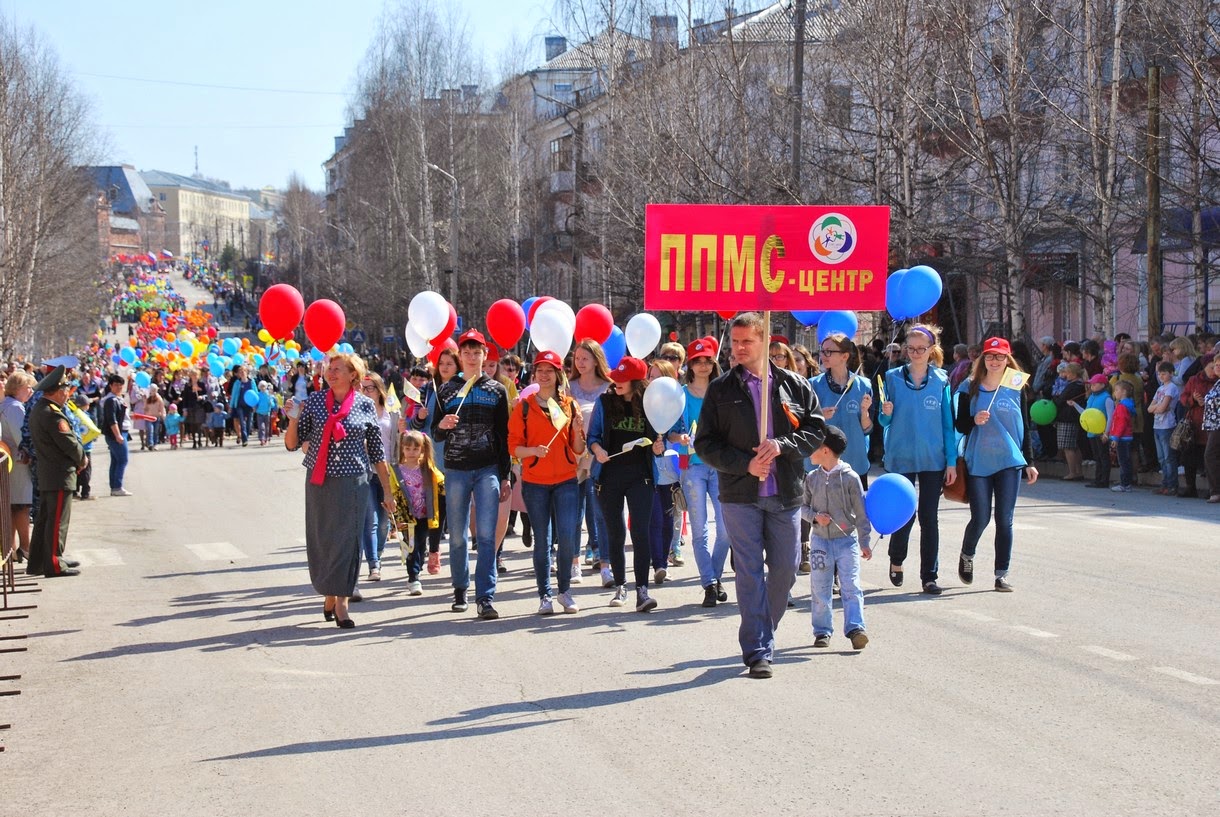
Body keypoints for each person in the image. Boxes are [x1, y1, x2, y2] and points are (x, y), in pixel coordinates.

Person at [694, 312, 825, 678]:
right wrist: (744, 465)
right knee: (749, 572)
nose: (738, 348)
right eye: (734, 341)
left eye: (746, 341)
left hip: (785, 492)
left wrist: (783, 445)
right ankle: (757, 650)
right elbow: (705, 444)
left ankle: (764, 628)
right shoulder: (721, 389)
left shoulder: (795, 384)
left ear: (765, 340)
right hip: (740, 495)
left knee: (784, 568)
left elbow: (816, 430)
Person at [283, 353, 395, 629]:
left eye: (337, 369)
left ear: (352, 375)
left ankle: (342, 601)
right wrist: (293, 419)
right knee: (324, 539)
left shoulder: (365, 405)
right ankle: (329, 592)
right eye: (328, 369)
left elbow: (378, 453)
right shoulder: (315, 403)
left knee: (349, 542)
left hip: (354, 482)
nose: (331, 373)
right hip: (320, 482)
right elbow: (291, 444)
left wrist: (388, 491)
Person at [431, 329, 511, 620]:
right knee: (458, 536)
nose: (472, 357)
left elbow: (504, 435)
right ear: (460, 356)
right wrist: (444, 426)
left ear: (485, 356)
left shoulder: (497, 391)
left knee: (487, 535)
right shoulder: (446, 390)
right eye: (467, 352)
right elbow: (434, 434)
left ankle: (485, 596)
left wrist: (506, 476)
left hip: (488, 467)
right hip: (456, 469)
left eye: (477, 352)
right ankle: (460, 589)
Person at [953, 337, 1039, 593]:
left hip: (1009, 461)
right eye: (990, 356)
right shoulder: (970, 387)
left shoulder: (1016, 384)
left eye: (1000, 356)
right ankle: (967, 555)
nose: (994, 361)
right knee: (980, 518)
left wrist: (1030, 462)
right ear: (982, 359)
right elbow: (959, 425)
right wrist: (973, 420)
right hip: (979, 460)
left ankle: (1001, 574)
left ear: (1008, 359)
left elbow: (1025, 423)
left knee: (1005, 520)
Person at [877, 324, 957, 595]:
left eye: (921, 349)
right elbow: (884, 420)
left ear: (932, 349)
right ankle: (897, 559)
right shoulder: (892, 377)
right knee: (904, 515)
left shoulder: (942, 379)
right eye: (910, 349)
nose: (915, 353)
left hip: (933, 458)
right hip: (901, 456)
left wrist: (952, 461)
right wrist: (885, 412)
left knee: (929, 517)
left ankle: (929, 576)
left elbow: (948, 424)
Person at [508, 350, 585, 615]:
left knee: (566, 537)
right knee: (543, 540)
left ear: (558, 374)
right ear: (534, 374)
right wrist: (533, 451)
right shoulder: (525, 406)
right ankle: (545, 595)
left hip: (565, 480)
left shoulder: (569, 405)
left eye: (549, 370)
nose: (544, 374)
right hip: (535, 481)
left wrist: (576, 430)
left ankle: (564, 590)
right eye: (540, 369)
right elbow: (513, 447)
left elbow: (577, 449)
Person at [588, 356, 665, 612]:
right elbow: (593, 437)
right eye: (615, 377)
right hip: (609, 477)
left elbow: (658, 441)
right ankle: (620, 584)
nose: (616, 382)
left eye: (622, 378)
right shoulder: (604, 401)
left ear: (636, 381)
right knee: (615, 532)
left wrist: (658, 448)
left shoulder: (649, 405)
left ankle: (642, 590)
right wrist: (597, 450)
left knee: (640, 532)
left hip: (641, 477)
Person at [802, 425, 871, 651]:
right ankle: (822, 631)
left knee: (851, 585)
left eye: (813, 446)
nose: (809, 451)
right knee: (820, 586)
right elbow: (800, 507)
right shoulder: (811, 478)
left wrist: (864, 541)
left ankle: (856, 629)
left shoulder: (850, 478)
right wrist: (814, 517)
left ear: (825, 450)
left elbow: (861, 512)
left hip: (846, 542)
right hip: (820, 541)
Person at [675, 337, 730, 607]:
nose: (703, 365)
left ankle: (714, 577)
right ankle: (709, 583)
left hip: (719, 466)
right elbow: (670, 431)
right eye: (698, 360)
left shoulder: (722, 391)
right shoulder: (680, 394)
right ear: (690, 364)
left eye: (708, 360)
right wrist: (680, 438)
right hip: (693, 467)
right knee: (699, 531)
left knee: (726, 530)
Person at [26, 366, 87, 578]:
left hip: (49, 473)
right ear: (58, 390)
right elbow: (69, 443)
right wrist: (82, 458)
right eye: (65, 390)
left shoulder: (40, 409)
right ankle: (54, 563)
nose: (67, 394)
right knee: (57, 521)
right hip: (59, 473)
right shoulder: (52, 414)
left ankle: (39, 562)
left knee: (45, 519)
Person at [568, 339, 612, 584]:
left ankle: (606, 564)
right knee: (573, 514)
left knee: (601, 514)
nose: (580, 363)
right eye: (577, 358)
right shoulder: (568, 387)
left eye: (585, 358)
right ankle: (573, 563)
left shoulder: (609, 387)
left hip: (600, 458)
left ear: (596, 359)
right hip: (573, 458)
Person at [359, 373, 400, 582]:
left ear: (379, 389)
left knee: (384, 522)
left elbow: (398, 439)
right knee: (371, 520)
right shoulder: (357, 411)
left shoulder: (391, 411)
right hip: (365, 470)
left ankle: (378, 555)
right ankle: (374, 564)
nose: (366, 392)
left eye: (370, 388)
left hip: (387, 470)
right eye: (363, 388)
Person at [394, 430, 444, 595]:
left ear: (422, 449)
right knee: (411, 546)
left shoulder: (427, 468)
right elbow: (392, 491)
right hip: (406, 516)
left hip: (424, 514)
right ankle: (413, 577)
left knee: (421, 543)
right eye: (408, 448)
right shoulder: (397, 471)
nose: (411, 452)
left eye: (415, 449)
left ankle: (418, 567)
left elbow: (441, 481)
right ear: (402, 449)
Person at [1, 371, 36, 562]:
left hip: (12, 462)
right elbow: (21, 437)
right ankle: (25, 546)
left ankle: (12, 548)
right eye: (27, 386)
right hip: (18, 462)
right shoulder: (14, 408)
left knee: (13, 505)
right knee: (21, 506)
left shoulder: (7, 405)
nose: (30, 390)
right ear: (17, 388)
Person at [1147, 362, 1181, 495]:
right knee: (1161, 457)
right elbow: (1151, 408)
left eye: (1164, 373)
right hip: (1157, 425)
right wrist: (1159, 407)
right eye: (1159, 373)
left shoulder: (1171, 388)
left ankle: (1172, 484)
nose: (1161, 376)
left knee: (1169, 457)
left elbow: (1162, 408)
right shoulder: (1160, 389)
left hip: (1167, 425)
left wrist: (1159, 407)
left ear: (1171, 374)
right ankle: (1165, 483)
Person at [100, 374, 133, 496]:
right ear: (111, 386)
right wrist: (118, 435)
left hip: (121, 431)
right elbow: (111, 419)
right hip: (116, 434)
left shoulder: (118, 399)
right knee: (123, 459)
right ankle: (117, 486)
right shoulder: (111, 400)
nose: (118, 387)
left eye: (120, 385)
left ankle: (114, 487)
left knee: (115, 460)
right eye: (116, 385)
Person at [1052, 363, 1087, 480]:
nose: (1065, 374)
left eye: (1066, 372)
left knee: (1068, 447)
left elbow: (1061, 399)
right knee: (1074, 446)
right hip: (1073, 417)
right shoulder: (1079, 384)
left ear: (1072, 373)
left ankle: (1073, 472)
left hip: (1068, 418)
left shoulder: (1074, 386)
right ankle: (1078, 471)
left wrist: (1056, 397)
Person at [1080, 375, 1114, 489]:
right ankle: (1097, 479)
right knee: (1097, 457)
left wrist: (1107, 433)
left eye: (1095, 384)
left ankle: (1104, 480)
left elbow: (1110, 417)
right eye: (1091, 384)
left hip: (1101, 432)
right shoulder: (1091, 397)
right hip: (1091, 431)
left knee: (1103, 456)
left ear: (1103, 385)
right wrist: (1074, 405)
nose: (1092, 386)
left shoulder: (1107, 398)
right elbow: (1086, 413)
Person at [1108, 380, 1137, 492]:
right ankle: (1126, 483)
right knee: (1125, 460)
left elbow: (1121, 423)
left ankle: (1125, 484)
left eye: (1116, 390)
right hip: (1126, 436)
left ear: (1124, 392)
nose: (1115, 393)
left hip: (1122, 437)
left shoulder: (1122, 406)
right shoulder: (1128, 404)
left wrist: (1115, 437)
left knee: (1123, 461)